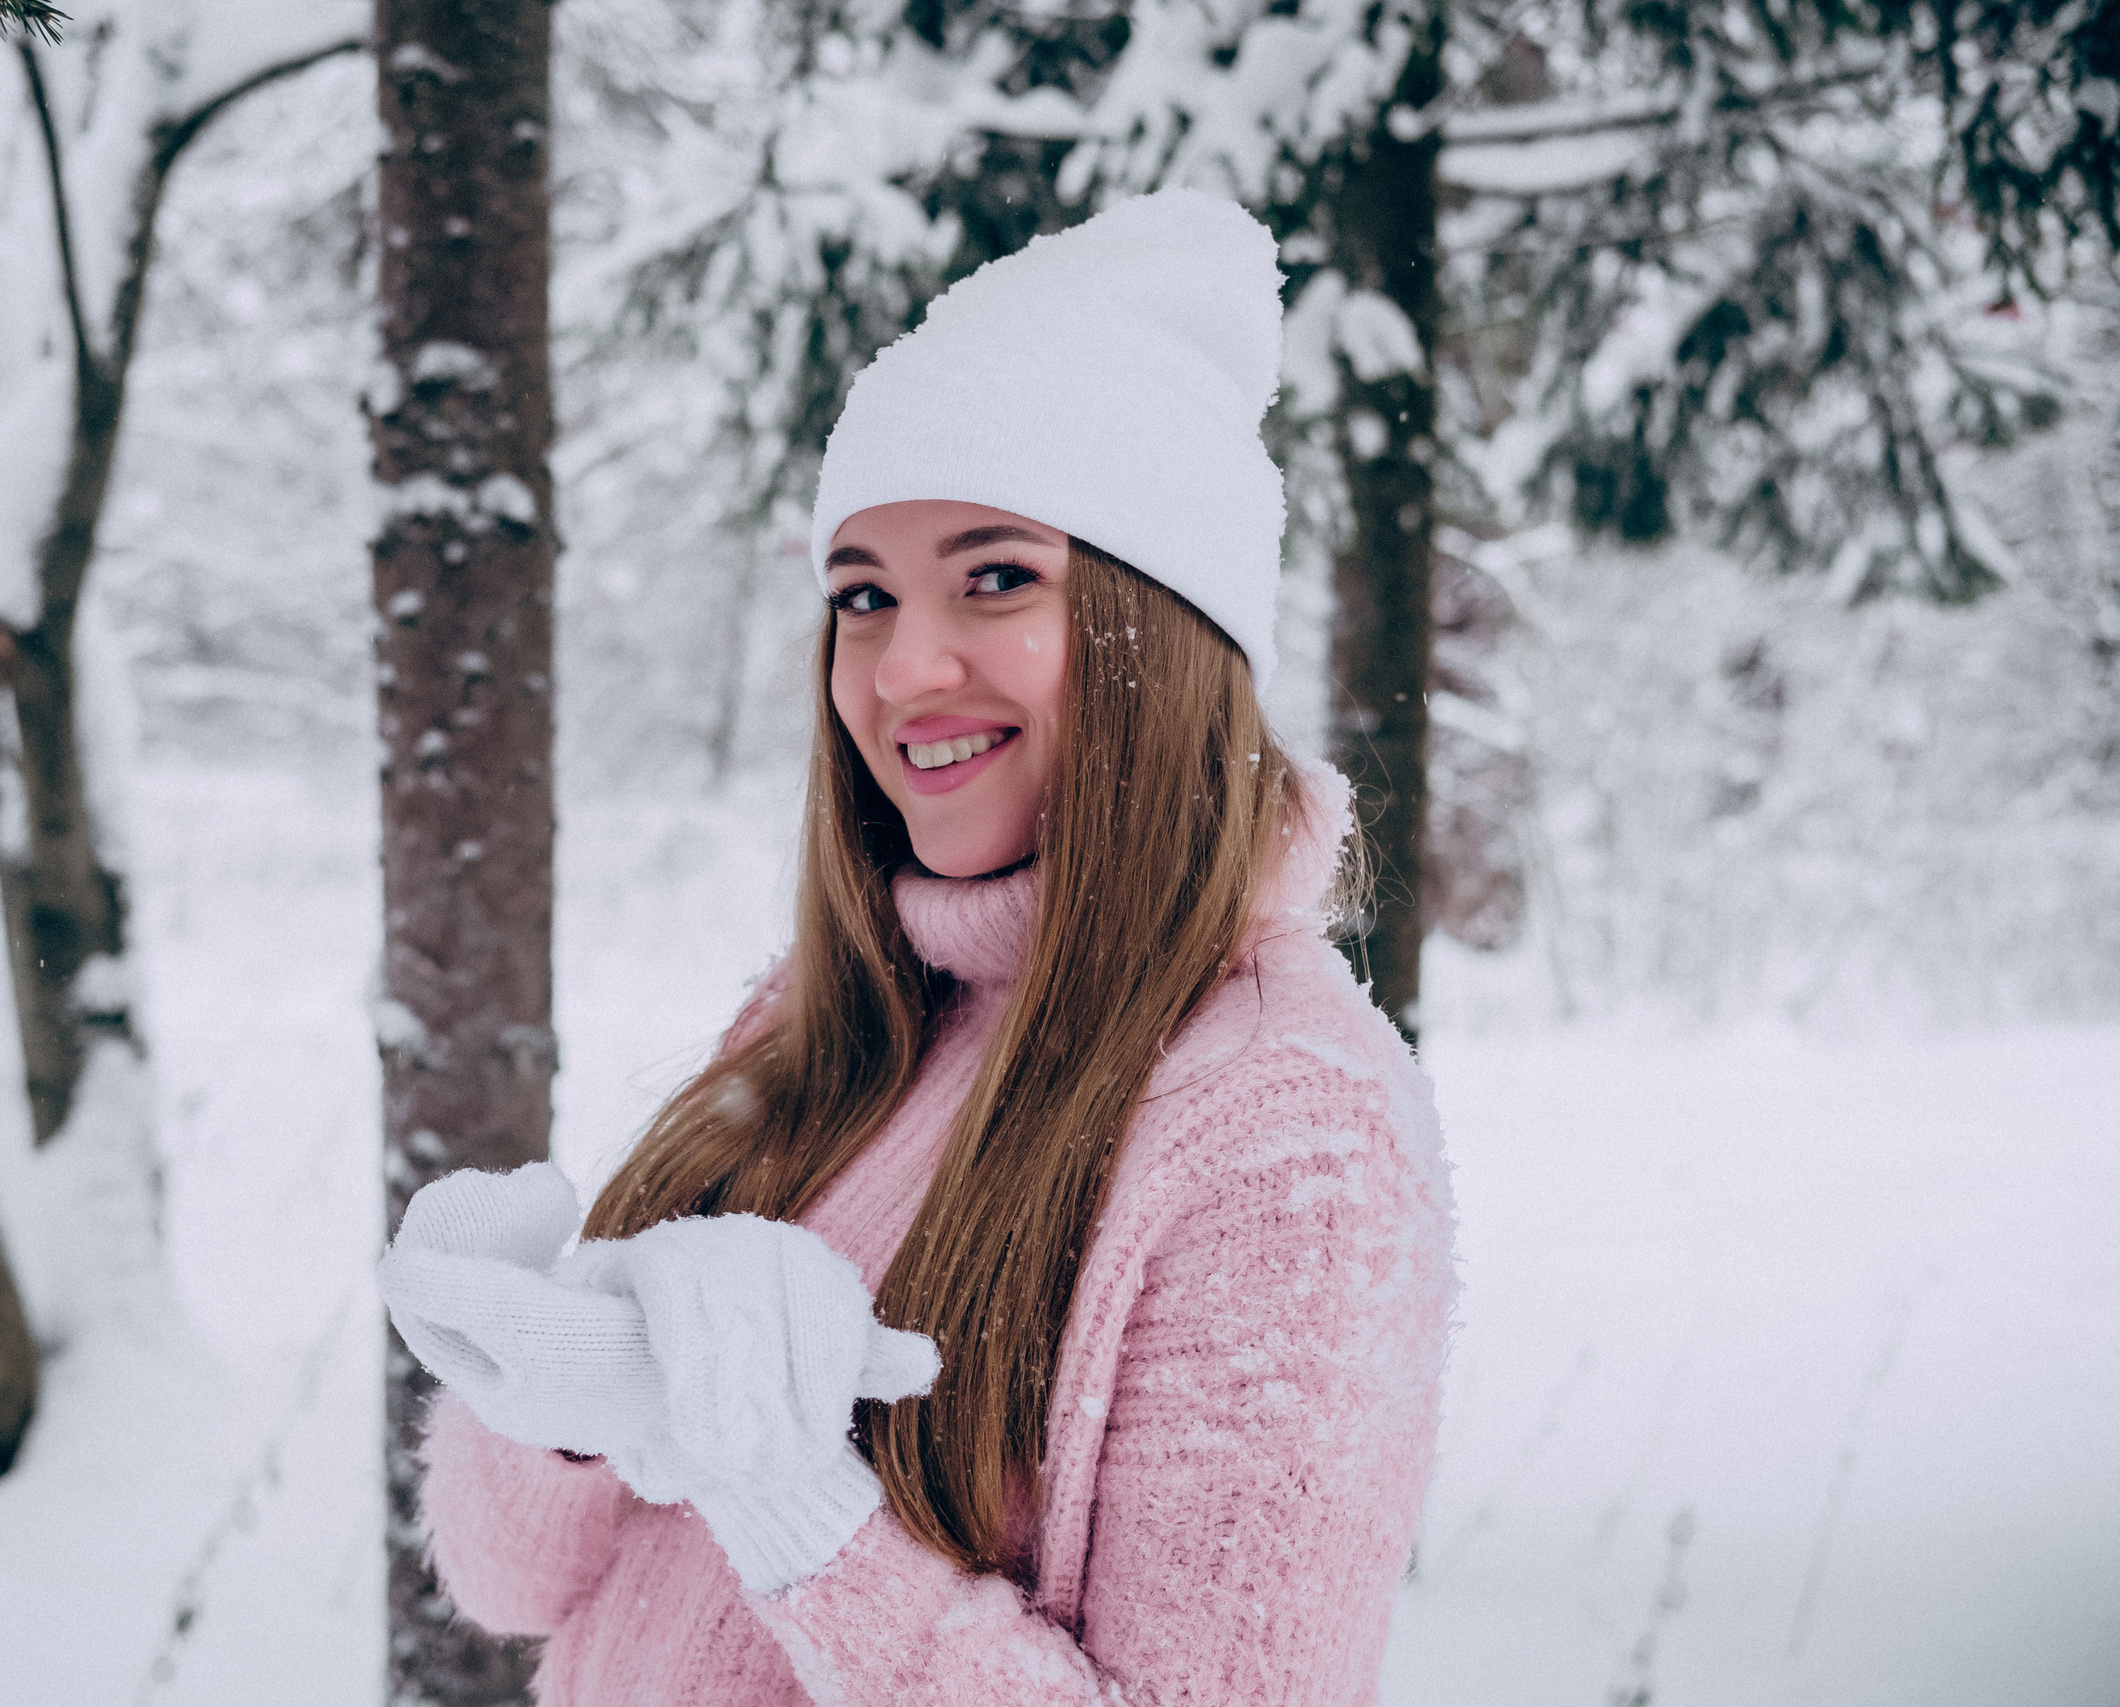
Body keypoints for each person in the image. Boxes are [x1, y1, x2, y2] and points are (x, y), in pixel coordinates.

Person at [378, 189, 1455, 1705]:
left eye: (996, 577)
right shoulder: (839, 1017)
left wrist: (794, 1504)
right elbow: (515, 1582)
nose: (903, 667)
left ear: (1169, 628)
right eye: (862, 597)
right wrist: (559, 1389)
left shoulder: (1284, 1132)